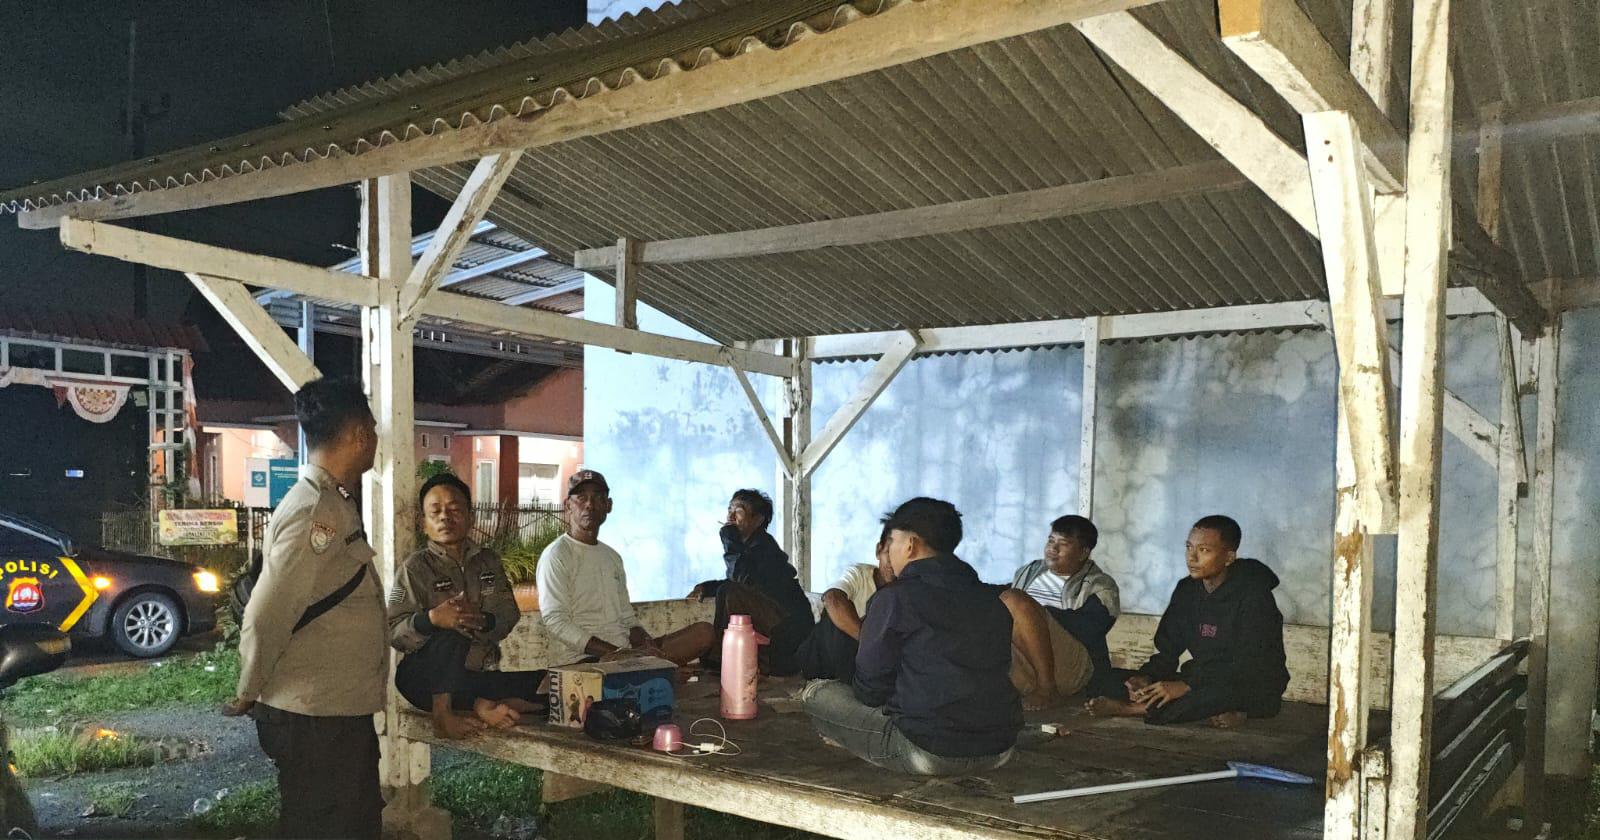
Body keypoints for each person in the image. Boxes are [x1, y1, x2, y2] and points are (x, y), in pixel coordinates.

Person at [224, 378, 386, 840]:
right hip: (316, 720)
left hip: (333, 712)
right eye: (373, 428)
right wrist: (249, 689)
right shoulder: (315, 510)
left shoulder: (333, 502)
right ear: (358, 434)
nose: (376, 437)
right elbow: (266, 614)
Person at [801, 498, 1021, 776]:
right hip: (1000, 748)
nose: (890, 550)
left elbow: (870, 691)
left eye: (892, 541)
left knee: (817, 693)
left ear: (910, 544)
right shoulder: (990, 600)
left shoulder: (894, 598)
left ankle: (854, 737)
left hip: (927, 751)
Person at [1087, 515, 1289, 727]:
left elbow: (1248, 663)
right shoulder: (1187, 590)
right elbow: (1167, 650)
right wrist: (1146, 677)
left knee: (1206, 694)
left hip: (1251, 681)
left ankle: (1132, 709)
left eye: (1204, 550)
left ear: (1229, 557)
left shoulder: (1254, 595)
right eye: (1189, 547)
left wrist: (1186, 686)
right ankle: (1221, 711)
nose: (1192, 558)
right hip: (1202, 675)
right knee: (1105, 680)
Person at [388, 473, 546, 739]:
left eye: (454, 510)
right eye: (435, 512)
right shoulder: (415, 568)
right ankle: (443, 716)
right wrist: (432, 620)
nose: (445, 518)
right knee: (451, 629)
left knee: (544, 686)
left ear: (470, 518)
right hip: (424, 680)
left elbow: (508, 613)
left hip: (475, 675)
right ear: (423, 523)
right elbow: (393, 630)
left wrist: (484, 620)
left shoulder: (488, 561)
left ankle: (481, 704)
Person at [536, 469, 713, 666]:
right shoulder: (557, 555)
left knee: (703, 633)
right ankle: (651, 672)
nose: (589, 505)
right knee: (643, 671)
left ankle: (651, 669)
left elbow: (628, 619)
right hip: (585, 660)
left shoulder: (612, 557)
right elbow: (556, 621)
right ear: (568, 505)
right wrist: (619, 654)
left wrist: (648, 648)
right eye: (581, 498)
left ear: (608, 506)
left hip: (626, 653)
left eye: (597, 497)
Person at [689, 489, 815, 675]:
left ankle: (722, 660)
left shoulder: (766, 547)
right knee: (725, 590)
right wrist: (707, 588)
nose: (730, 516)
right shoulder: (747, 550)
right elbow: (743, 580)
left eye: (738, 511)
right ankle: (722, 660)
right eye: (729, 509)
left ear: (757, 519)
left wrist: (729, 539)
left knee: (729, 591)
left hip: (790, 638)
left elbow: (743, 578)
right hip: (777, 629)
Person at [1007, 514, 1122, 701]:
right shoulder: (1028, 571)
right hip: (1024, 659)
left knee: (1014, 600)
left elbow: (1090, 629)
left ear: (1083, 553)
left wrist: (1035, 615)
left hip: (1071, 667)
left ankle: (1047, 687)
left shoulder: (1101, 586)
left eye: (1063, 543)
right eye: (1051, 540)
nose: (1053, 548)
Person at [795, 526, 895, 682]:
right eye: (889, 553)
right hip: (830, 654)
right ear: (878, 551)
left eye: (899, 556)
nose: (893, 562)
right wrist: (868, 640)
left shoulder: (905, 591)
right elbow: (832, 598)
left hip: (862, 663)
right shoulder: (860, 573)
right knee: (833, 614)